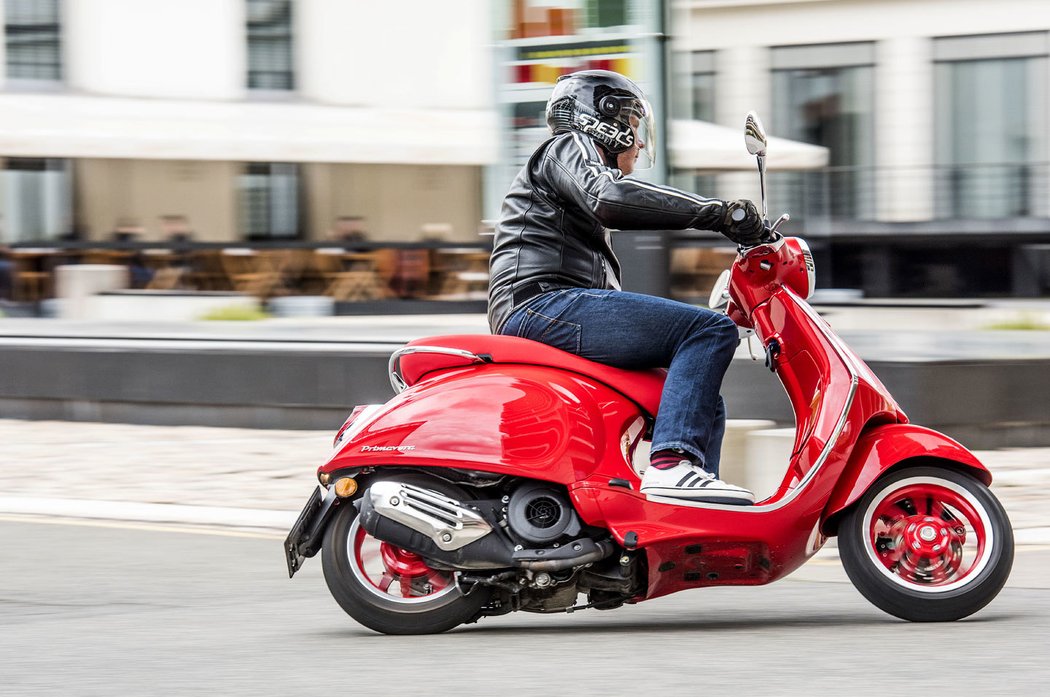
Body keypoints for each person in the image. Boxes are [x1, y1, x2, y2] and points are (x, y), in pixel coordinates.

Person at [487, 70, 768, 505]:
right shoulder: (567, 147)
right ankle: (672, 467)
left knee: (704, 395)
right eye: (633, 126)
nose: (637, 141)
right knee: (707, 331)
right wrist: (718, 214)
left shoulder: (573, 171)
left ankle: (691, 506)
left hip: (552, 305)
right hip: (539, 303)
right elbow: (612, 199)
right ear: (606, 119)